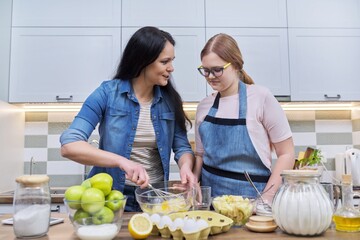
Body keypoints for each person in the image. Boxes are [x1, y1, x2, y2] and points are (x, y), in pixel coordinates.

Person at [60, 26, 196, 212]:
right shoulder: (107, 94)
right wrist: (121, 161)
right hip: (110, 196)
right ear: (143, 61)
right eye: (165, 61)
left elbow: (182, 147)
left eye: (172, 61)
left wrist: (186, 167)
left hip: (154, 196)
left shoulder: (170, 101)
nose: (171, 68)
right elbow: (70, 145)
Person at [193, 33, 295, 204]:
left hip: (252, 203)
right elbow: (200, 154)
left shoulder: (261, 97)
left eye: (217, 70)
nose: (210, 76)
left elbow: (287, 153)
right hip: (210, 204)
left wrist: (265, 200)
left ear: (235, 65)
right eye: (205, 70)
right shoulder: (204, 106)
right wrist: (194, 184)